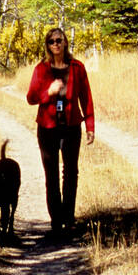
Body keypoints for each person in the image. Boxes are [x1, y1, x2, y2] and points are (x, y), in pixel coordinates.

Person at [26, 28, 94, 236]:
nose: (56, 44)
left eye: (59, 40)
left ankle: (69, 218)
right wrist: (49, 93)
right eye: (51, 41)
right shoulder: (41, 69)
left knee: (71, 172)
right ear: (47, 45)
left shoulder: (77, 67)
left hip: (71, 126)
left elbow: (86, 97)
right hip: (47, 128)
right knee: (52, 174)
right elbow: (31, 98)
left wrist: (90, 125)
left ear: (65, 43)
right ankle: (56, 220)